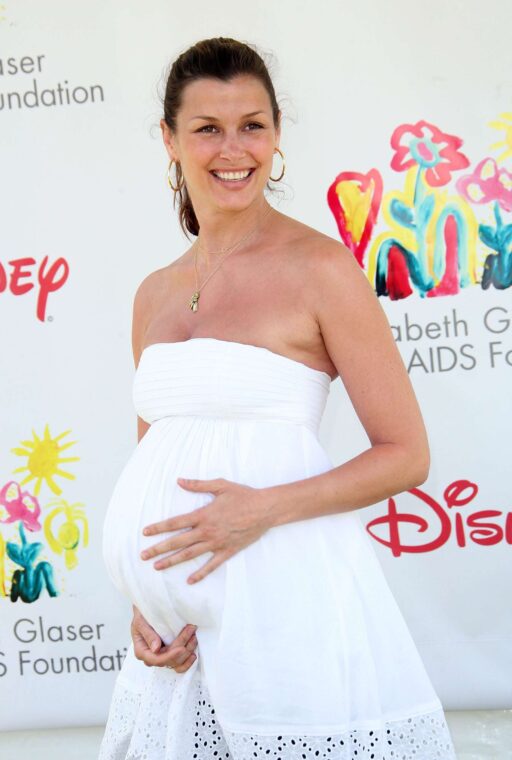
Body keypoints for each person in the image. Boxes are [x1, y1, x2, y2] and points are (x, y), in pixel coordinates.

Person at [99, 36, 457, 760]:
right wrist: (146, 600)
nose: (234, 149)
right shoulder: (153, 293)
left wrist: (260, 510)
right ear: (168, 139)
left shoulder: (320, 268)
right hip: (181, 642)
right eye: (208, 128)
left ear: (277, 135)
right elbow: (157, 457)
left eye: (252, 125)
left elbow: (406, 456)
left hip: (287, 612)